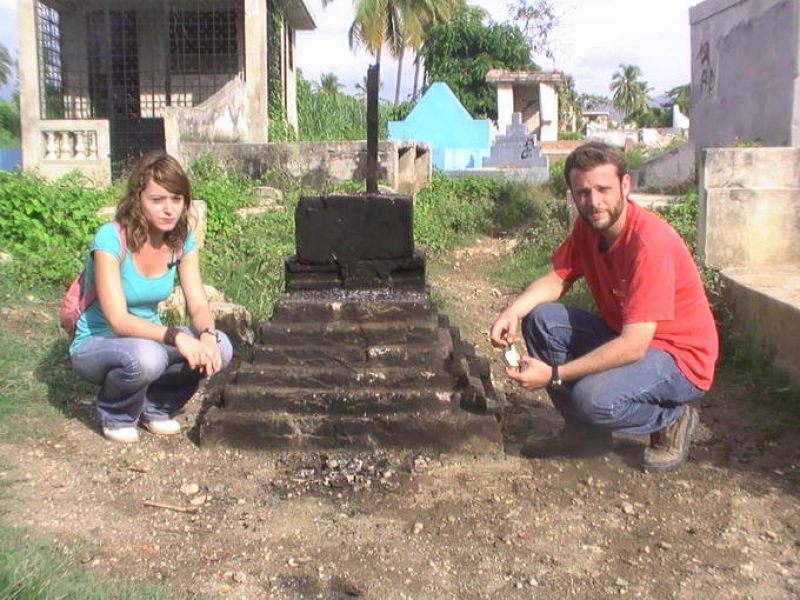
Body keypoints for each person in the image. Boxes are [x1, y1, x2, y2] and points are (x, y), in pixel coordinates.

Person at [490, 142, 718, 471]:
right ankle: (584, 434)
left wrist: (554, 375)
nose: (594, 202)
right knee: (539, 319)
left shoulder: (649, 245)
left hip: (680, 357)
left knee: (592, 398)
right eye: (582, 192)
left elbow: (633, 346)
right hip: (627, 336)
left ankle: (670, 419)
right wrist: (513, 311)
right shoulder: (589, 227)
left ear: (625, 185)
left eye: (603, 189)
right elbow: (558, 277)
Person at [69, 151, 233, 443]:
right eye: (157, 200)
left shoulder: (181, 242)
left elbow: (197, 302)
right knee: (149, 357)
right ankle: (116, 413)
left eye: (176, 199)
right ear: (137, 199)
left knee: (222, 346)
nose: (168, 209)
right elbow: (118, 321)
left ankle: (156, 407)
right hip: (98, 341)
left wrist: (206, 333)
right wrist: (176, 336)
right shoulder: (110, 238)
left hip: (150, 340)